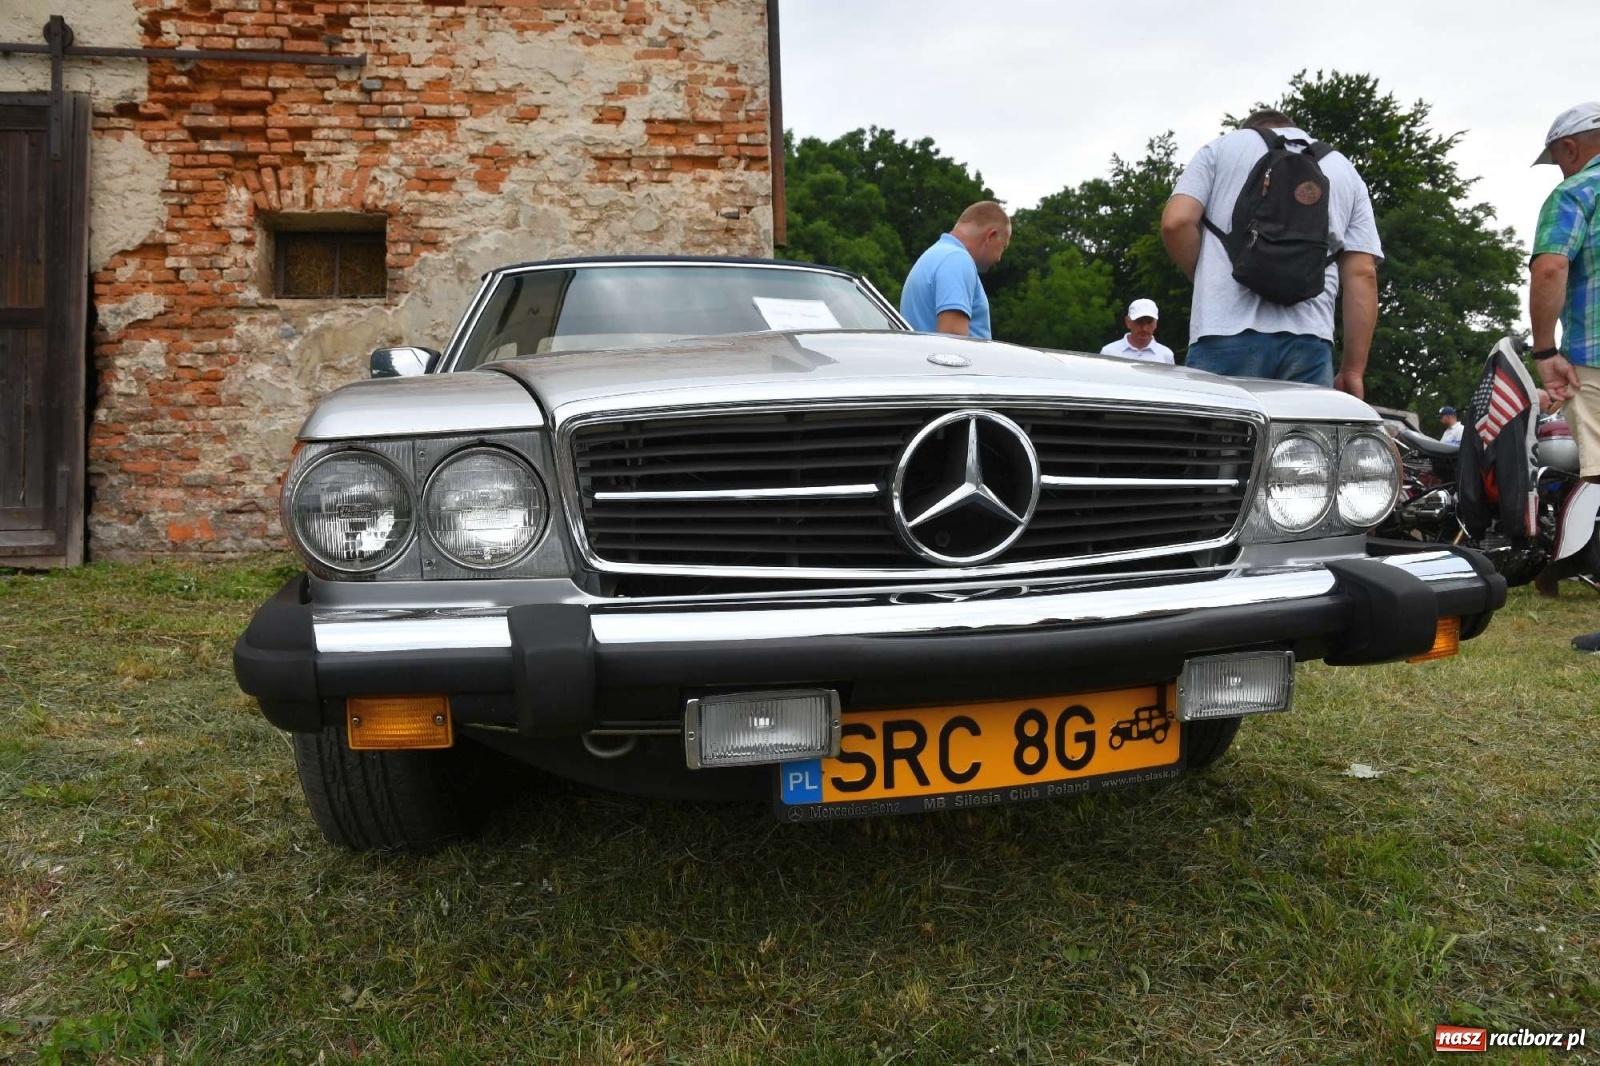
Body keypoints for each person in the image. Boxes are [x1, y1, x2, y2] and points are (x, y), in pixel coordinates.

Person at [1159, 109, 1383, 398]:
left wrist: (1201, 275)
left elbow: (1175, 223)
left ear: (1248, 129)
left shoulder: (1221, 148)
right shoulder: (1344, 169)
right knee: (1302, 442)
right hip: (1309, 342)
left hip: (1224, 333)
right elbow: (1362, 273)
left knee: (1215, 442)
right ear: (1292, 128)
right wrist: (1353, 369)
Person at [1526, 102, 1600, 651]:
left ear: (1569, 147)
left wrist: (1545, 348)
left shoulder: (1576, 192)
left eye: (1555, 160)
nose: (1558, 170)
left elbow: (1551, 265)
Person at [900, 201, 1011, 339]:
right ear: (990, 236)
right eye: (1003, 246)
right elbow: (953, 338)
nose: (999, 259)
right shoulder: (957, 260)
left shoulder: (935, 255)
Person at [1099, 299, 1175, 364]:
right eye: (1139, 322)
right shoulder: (1109, 352)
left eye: (1149, 322)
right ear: (1128, 322)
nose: (1144, 328)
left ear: (1155, 324)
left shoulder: (1166, 355)